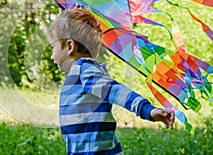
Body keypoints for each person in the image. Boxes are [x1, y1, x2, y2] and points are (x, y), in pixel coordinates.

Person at [47, 8, 175, 155]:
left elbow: (116, 91)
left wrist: (147, 110)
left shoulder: (85, 71)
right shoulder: (81, 73)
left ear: (70, 46)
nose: (52, 56)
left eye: (53, 47)